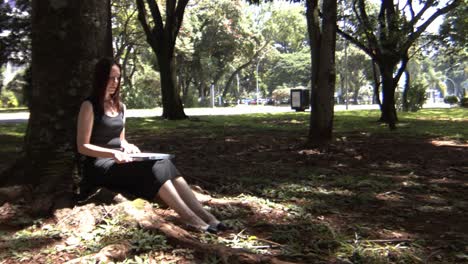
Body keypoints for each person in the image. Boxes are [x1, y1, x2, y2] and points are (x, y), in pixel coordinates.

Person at [76, 57, 226, 234]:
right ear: (100, 78)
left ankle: (206, 216)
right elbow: (82, 146)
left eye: (117, 78)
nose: (114, 83)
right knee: (154, 168)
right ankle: (190, 219)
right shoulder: (89, 106)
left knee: (165, 163)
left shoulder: (120, 107)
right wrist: (112, 154)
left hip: (122, 160)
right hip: (99, 166)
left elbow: (120, 139)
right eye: (110, 78)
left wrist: (128, 146)